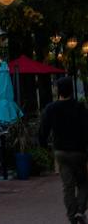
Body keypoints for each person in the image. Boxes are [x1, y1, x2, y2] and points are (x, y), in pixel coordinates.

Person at [39, 76, 88, 224]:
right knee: (84, 183)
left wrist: (44, 146)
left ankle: (72, 216)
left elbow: (43, 131)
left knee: (68, 186)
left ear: (58, 91)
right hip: (79, 152)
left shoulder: (51, 108)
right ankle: (80, 210)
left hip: (60, 152)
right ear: (71, 91)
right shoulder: (80, 107)